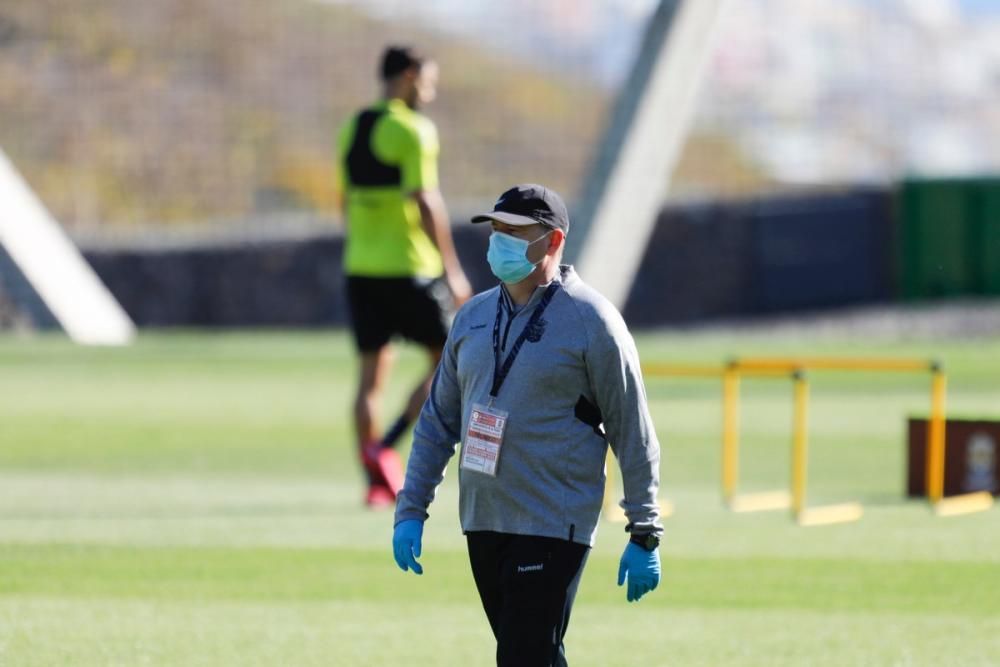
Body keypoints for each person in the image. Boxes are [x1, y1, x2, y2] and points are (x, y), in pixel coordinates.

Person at [392, 184, 662, 666]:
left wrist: (644, 531)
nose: (500, 240)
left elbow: (631, 428)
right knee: (529, 656)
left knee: (524, 656)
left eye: (515, 231)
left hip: (553, 521)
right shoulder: (472, 318)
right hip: (483, 518)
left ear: (553, 242)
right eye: (495, 228)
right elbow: (437, 422)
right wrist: (411, 509)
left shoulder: (592, 321)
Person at [336, 46, 472, 508]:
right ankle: (387, 445)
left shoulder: (353, 126)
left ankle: (373, 480)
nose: (430, 90)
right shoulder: (413, 130)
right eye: (428, 80)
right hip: (411, 269)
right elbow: (425, 200)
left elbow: (346, 202)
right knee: (450, 360)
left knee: (369, 380)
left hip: (361, 269)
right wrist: (452, 270)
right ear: (410, 75)